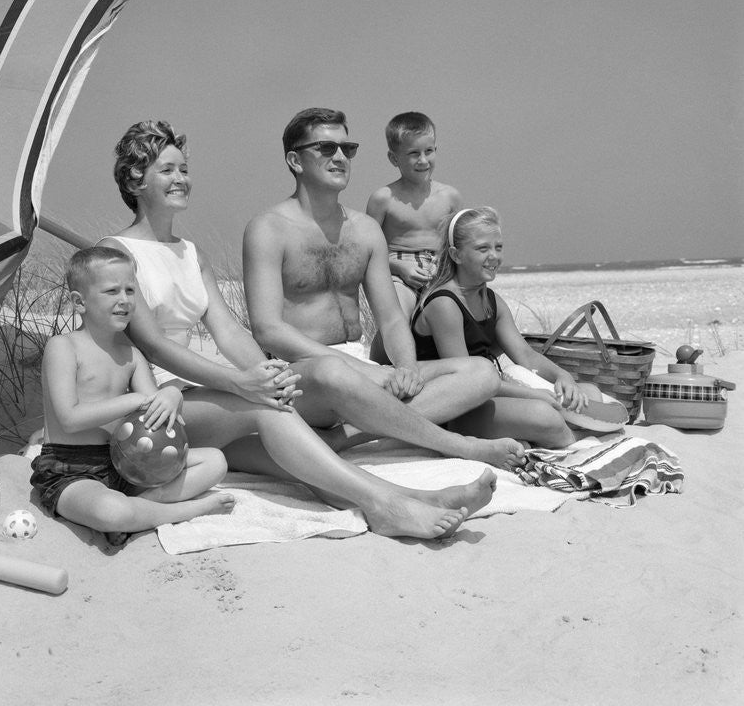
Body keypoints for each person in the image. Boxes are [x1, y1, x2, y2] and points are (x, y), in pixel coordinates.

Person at [98, 120, 499, 542]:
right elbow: (155, 346)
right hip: (153, 405)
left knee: (277, 408)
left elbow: (230, 333)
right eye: (167, 170)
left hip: (196, 396)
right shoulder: (116, 253)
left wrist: (269, 376)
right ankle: (394, 500)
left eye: (183, 169)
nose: (181, 179)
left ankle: (403, 498)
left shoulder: (189, 253)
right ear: (134, 179)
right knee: (267, 410)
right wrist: (242, 383)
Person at [243, 107, 525, 470]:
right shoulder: (268, 228)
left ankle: (344, 438)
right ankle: (457, 445)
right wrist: (362, 371)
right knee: (333, 372)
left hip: (361, 366)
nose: (341, 157)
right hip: (305, 373)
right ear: (295, 160)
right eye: (326, 149)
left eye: (348, 148)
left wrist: (405, 368)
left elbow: (391, 319)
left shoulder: (364, 230)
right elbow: (268, 329)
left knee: (481, 373)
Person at [30, 247, 235, 542]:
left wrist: (172, 395)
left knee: (215, 461)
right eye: (112, 291)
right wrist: (134, 400)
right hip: (70, 470)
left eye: (130, 290)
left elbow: (154, 408)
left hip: (125, 464)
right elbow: (70, 418)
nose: (124, 300)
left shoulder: (132, 355)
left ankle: (143, 507)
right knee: (112, 512)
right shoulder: (63, 346)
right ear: (79, 302)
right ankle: (185, 510)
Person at [411, 207, 626, 447]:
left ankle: (539, 434)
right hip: (458, 411)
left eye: (498, 247)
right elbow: (465, 385)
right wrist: (537, 395)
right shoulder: (444, 304)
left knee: (589, 393)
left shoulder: (491, 300)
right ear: (456, 254)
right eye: (483, 248)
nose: (494, 256)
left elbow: (525, 355)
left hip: (489, 394)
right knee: (545, 416)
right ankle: (571, 438)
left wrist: (563, 377)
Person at [366, 111, 463, 322]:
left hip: (440, 273)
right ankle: (388, 355)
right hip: (398, 274)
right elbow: (367, 251)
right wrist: (399, 267)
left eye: (429, 151)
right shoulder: (383, 198)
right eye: (413, 153)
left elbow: (460, 243)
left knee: (456, 313)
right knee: (398, 314)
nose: (423, 160)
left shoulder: (450, 197)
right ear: (394, 158)